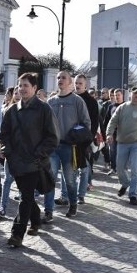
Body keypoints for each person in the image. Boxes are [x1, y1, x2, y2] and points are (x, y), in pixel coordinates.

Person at [0, 73, 59, 248]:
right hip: (16, 162)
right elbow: (4, 135)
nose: (22, 89)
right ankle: (36, 220)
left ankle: (16, 234)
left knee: (25, 197)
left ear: (34, 88)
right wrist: (7, 151)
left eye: (26, 85)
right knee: (26, 195)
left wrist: (39, 154)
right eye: (20, 85)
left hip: (35, 162)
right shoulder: (11, 111)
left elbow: (53, 137)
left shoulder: (44, 109)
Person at [43, 71, 91, 221]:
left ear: (70, 82)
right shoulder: (50, 102)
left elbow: (86, 123)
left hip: (70, 148)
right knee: (50, 179)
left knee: (69, 179)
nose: (60, 80)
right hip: (53, 148)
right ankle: (48, 211)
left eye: (63, 77)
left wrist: (75, 136)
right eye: (58, 77)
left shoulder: (77, 101)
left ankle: (73, 204)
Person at [104, 88, 137, 205]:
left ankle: (133, 194)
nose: (136, 96)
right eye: (134, 94)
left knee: (135, 169)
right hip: (122, 143)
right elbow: (112, 121)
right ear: (130, 95)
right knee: (120, 168)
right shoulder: (122, 107)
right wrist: (109, 134)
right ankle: (125, 183)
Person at [72, 74, 100, 204]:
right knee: (70, 167)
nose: (77, 85)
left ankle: (81, 194)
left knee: (83, 167)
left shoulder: (91, 101)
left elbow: (94, 122)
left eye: (80, 83)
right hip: (70, 138)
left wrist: (89, 137)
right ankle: (68, 195)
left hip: (84, 139)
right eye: (76, 83)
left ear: (85, 85)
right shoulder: (70, 97)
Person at [0, 86, 20, 218]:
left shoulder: (31, 110)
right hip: (10, 152)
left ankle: (24, 210)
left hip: (24, 153)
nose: (18, 94)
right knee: (7, 180)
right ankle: (2, 207)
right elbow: (4, 133)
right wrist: (2, 149)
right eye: (16, 92)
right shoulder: (8, 110)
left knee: (23, 182)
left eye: (19, 92)